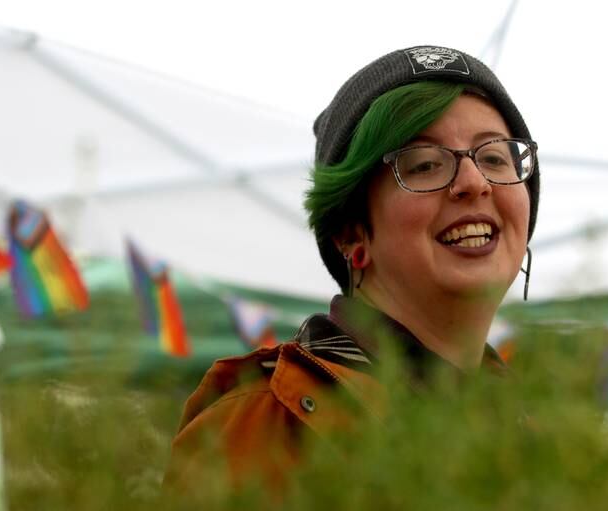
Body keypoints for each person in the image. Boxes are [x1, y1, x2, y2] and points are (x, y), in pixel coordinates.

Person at [164, 45, 539, 493]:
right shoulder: (264, 424)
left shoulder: (540, 435)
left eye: (495, 157)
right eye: (423, 164)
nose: (474, 182)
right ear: (351, 234)